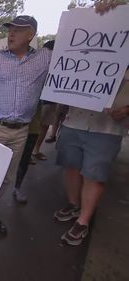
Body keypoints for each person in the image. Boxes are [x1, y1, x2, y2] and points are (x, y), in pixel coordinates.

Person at [0, 15, 51, 235]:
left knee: (6, 176)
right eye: (10, 29)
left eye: (18, 29)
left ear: (31, 35)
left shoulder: (45, 59)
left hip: (21, 131)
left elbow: (76, 51)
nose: (11, 33)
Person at [54, 67, 129, 246]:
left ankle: (83, 221)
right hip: (74, 121)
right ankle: (73, 205)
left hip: (107, 127)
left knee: (94, 175)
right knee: (70, 165)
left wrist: (127, 109)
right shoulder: (80, 54)